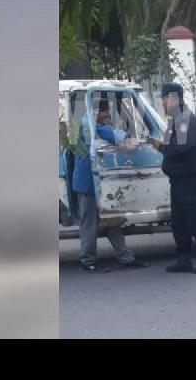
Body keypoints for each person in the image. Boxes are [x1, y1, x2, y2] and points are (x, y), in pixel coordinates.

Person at [72, 98, 148, 273]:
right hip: (88, 182)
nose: (107, 116)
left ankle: (125, 256)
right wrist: (134, 142)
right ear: (96, 112)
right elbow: (122, 143)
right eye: (105, 112)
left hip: (93, 180)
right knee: (90, 223)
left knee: (111, 219)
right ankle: (88, 261)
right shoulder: (92, 126)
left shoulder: (88, 124)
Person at [151, 83, 196, 274]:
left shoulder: (185, 119)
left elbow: (183, 148)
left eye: (164, 98)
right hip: (178, 181)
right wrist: (161, 144)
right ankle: (184, 259)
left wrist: (162, 148)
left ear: (171, 98)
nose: (163, 102)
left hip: (189, 180)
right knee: (179, 222)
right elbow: (173, 143)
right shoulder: (175, 119)